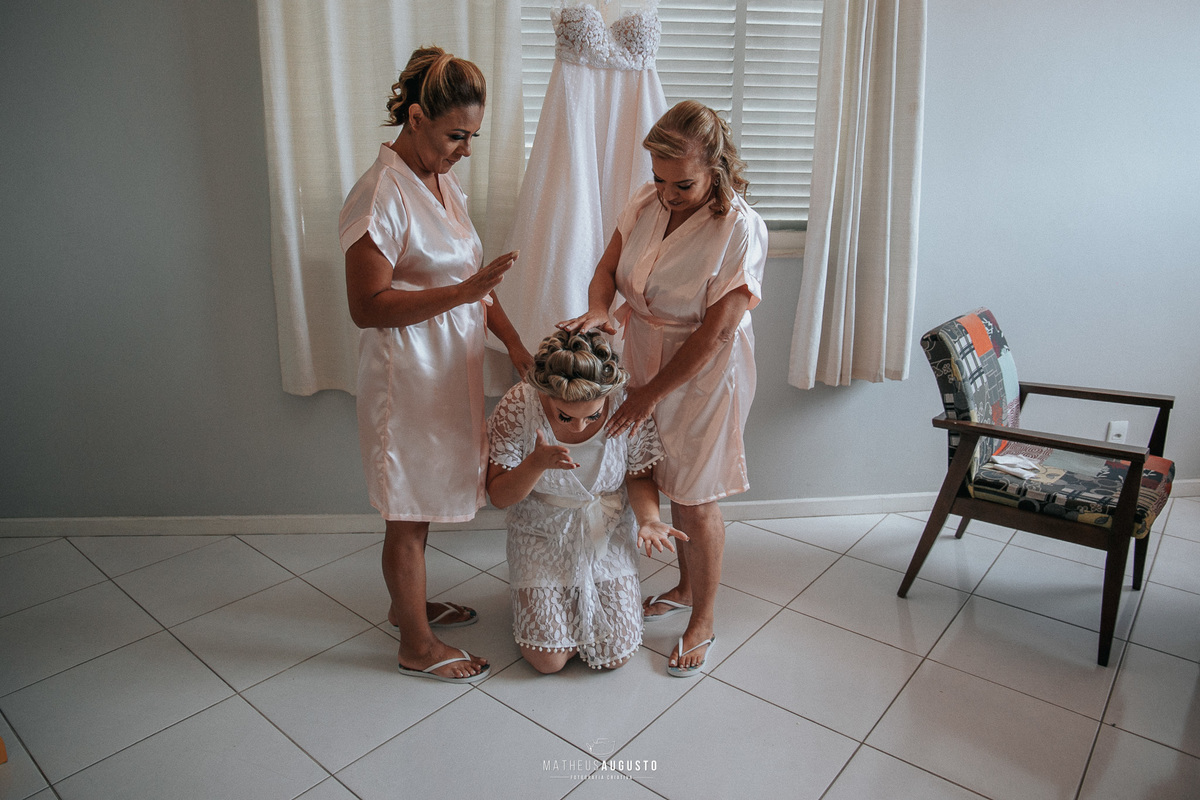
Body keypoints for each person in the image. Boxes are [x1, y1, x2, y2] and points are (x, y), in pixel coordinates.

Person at [340, 46, 531, 683]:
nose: (465, 150)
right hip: (406, 381)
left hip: (446, 374)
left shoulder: (442, 182)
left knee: (420, 504)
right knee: (407, 510)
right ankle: (416, 646)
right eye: (456, 136)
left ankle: (408, 608)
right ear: (416, 117)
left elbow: (478, 287)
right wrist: (462, 292)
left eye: (473, 136)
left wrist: (516, 346)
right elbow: (366, 307)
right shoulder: (379, 195)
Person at [559, 100, 767, 677]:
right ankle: (683, 585)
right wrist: (599, 311)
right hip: (640, 349)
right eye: (659, 179)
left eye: (683, 184)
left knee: (694, 494)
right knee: (649, 471)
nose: (668, 194)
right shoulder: (645, 202)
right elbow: (607, 271)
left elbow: (716, 333)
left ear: (715, 169)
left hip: (705, 369)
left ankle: (703, 618)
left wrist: (650, 394)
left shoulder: (740, 229)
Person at [486, 330, 685, 673]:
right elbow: (499, 496)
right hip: (541, 533)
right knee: (548, 660)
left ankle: (572, 600)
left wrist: (650, 519)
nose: (579, 427)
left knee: (616, 654)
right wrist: (534, 465)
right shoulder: (519, 404)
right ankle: (542, 595)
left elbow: (638, 478)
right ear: (545, 393)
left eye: (593, 416)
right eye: (565, 416)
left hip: (605, 532)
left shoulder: (625, 403)